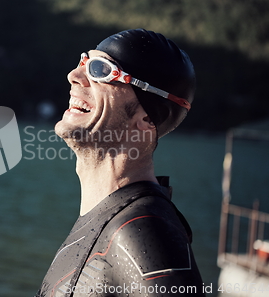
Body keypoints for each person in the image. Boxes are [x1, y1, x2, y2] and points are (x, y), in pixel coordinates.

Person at [35, 29, 204, 297]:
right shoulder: (109, 217)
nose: (74, 76)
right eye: (83, 63)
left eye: (100, 70)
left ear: (147, 119)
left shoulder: (146, 230)